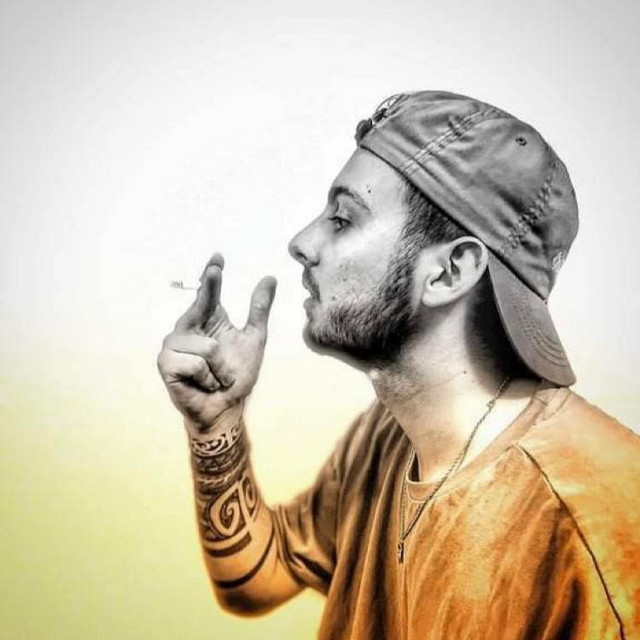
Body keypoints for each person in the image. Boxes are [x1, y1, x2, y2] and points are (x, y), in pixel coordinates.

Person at [157, 91, 640, 639]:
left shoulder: (598, 531)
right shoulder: (387, 435)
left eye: (343, 219)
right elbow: (258, 580)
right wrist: (215, 424)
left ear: (450, 272)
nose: (302, 242)